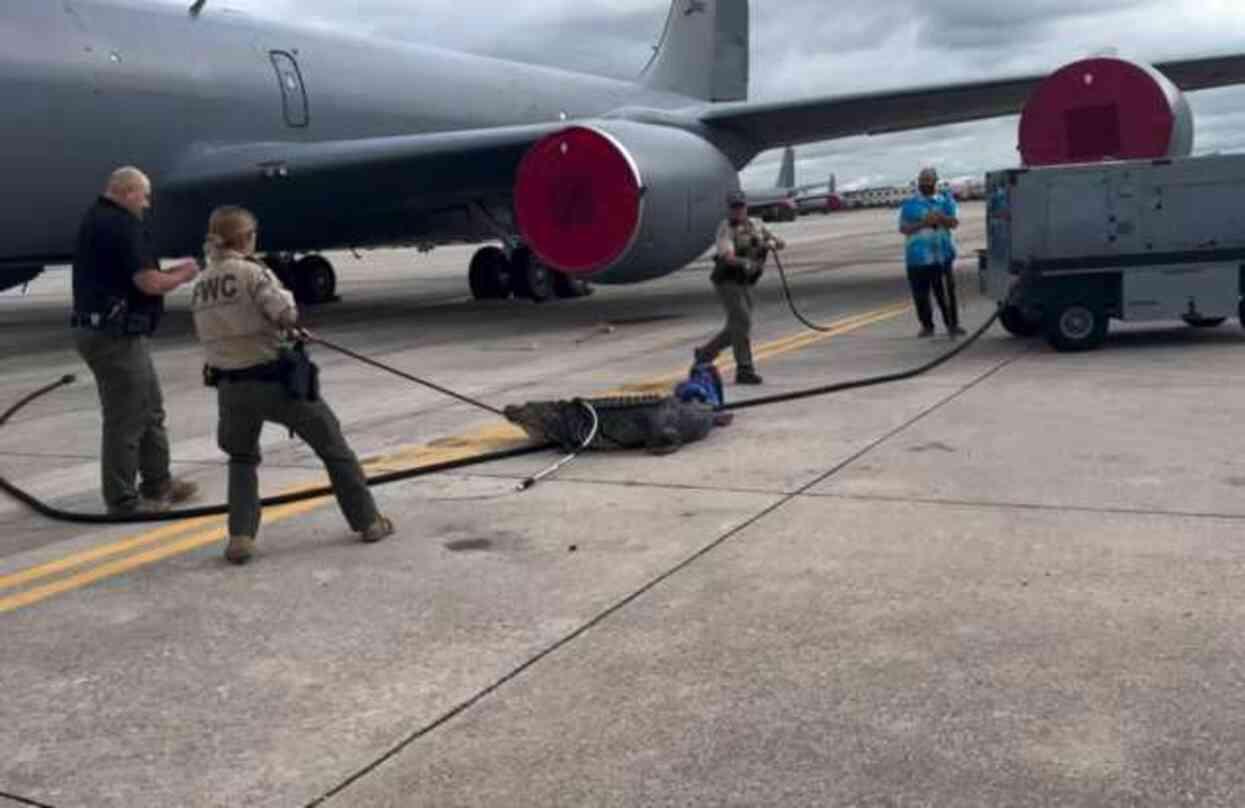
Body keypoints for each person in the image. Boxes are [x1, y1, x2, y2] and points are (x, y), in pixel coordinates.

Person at [190, 206, 394, 564]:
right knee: (334, 448)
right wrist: (290, 321)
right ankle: (369, 521)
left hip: (230, 389)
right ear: (245, 238)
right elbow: (286, 314)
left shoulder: (202, 283)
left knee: (241, 459)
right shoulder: (252, 272)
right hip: (274, 381)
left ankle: (240, 537)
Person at [71, 166, 201, 515]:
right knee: (127, 417)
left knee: (150, 409)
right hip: (114, 336)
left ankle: (159, 483)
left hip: (116, 332)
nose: (146, 204)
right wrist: (184, 274)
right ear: (127, 192)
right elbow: (148, 283)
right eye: (144, 197)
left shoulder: (98, 217)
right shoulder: (121, 224)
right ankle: (122, 501)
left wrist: (168, 274)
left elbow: (133, 278)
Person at [693, 190, 785, 385]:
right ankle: (744, 369)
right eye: (734, 207)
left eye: (740, 206)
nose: (738, 210)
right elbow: (727, 256)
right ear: (729, 209)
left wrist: (772, 243)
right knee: (742, 322)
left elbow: (777, 242)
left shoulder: (756, 225)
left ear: (746, 206)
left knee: (737, 327)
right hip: (728, 281)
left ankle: (705, 353)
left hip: (746, 282)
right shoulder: (726, 228)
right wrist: (744, 262)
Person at [898, 167, 966, 338]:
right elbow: (904, 228)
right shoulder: (910, 204)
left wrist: (940, 218)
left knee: (946, 294)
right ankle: (927, 326)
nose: (925, 184)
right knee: (921, 295)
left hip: (941, 256)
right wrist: (923, 223)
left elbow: (954, 223)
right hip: (917, 258)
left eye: (928, 181)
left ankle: (952, 325)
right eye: (922, 181)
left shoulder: (945, 201)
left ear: (935, 182)